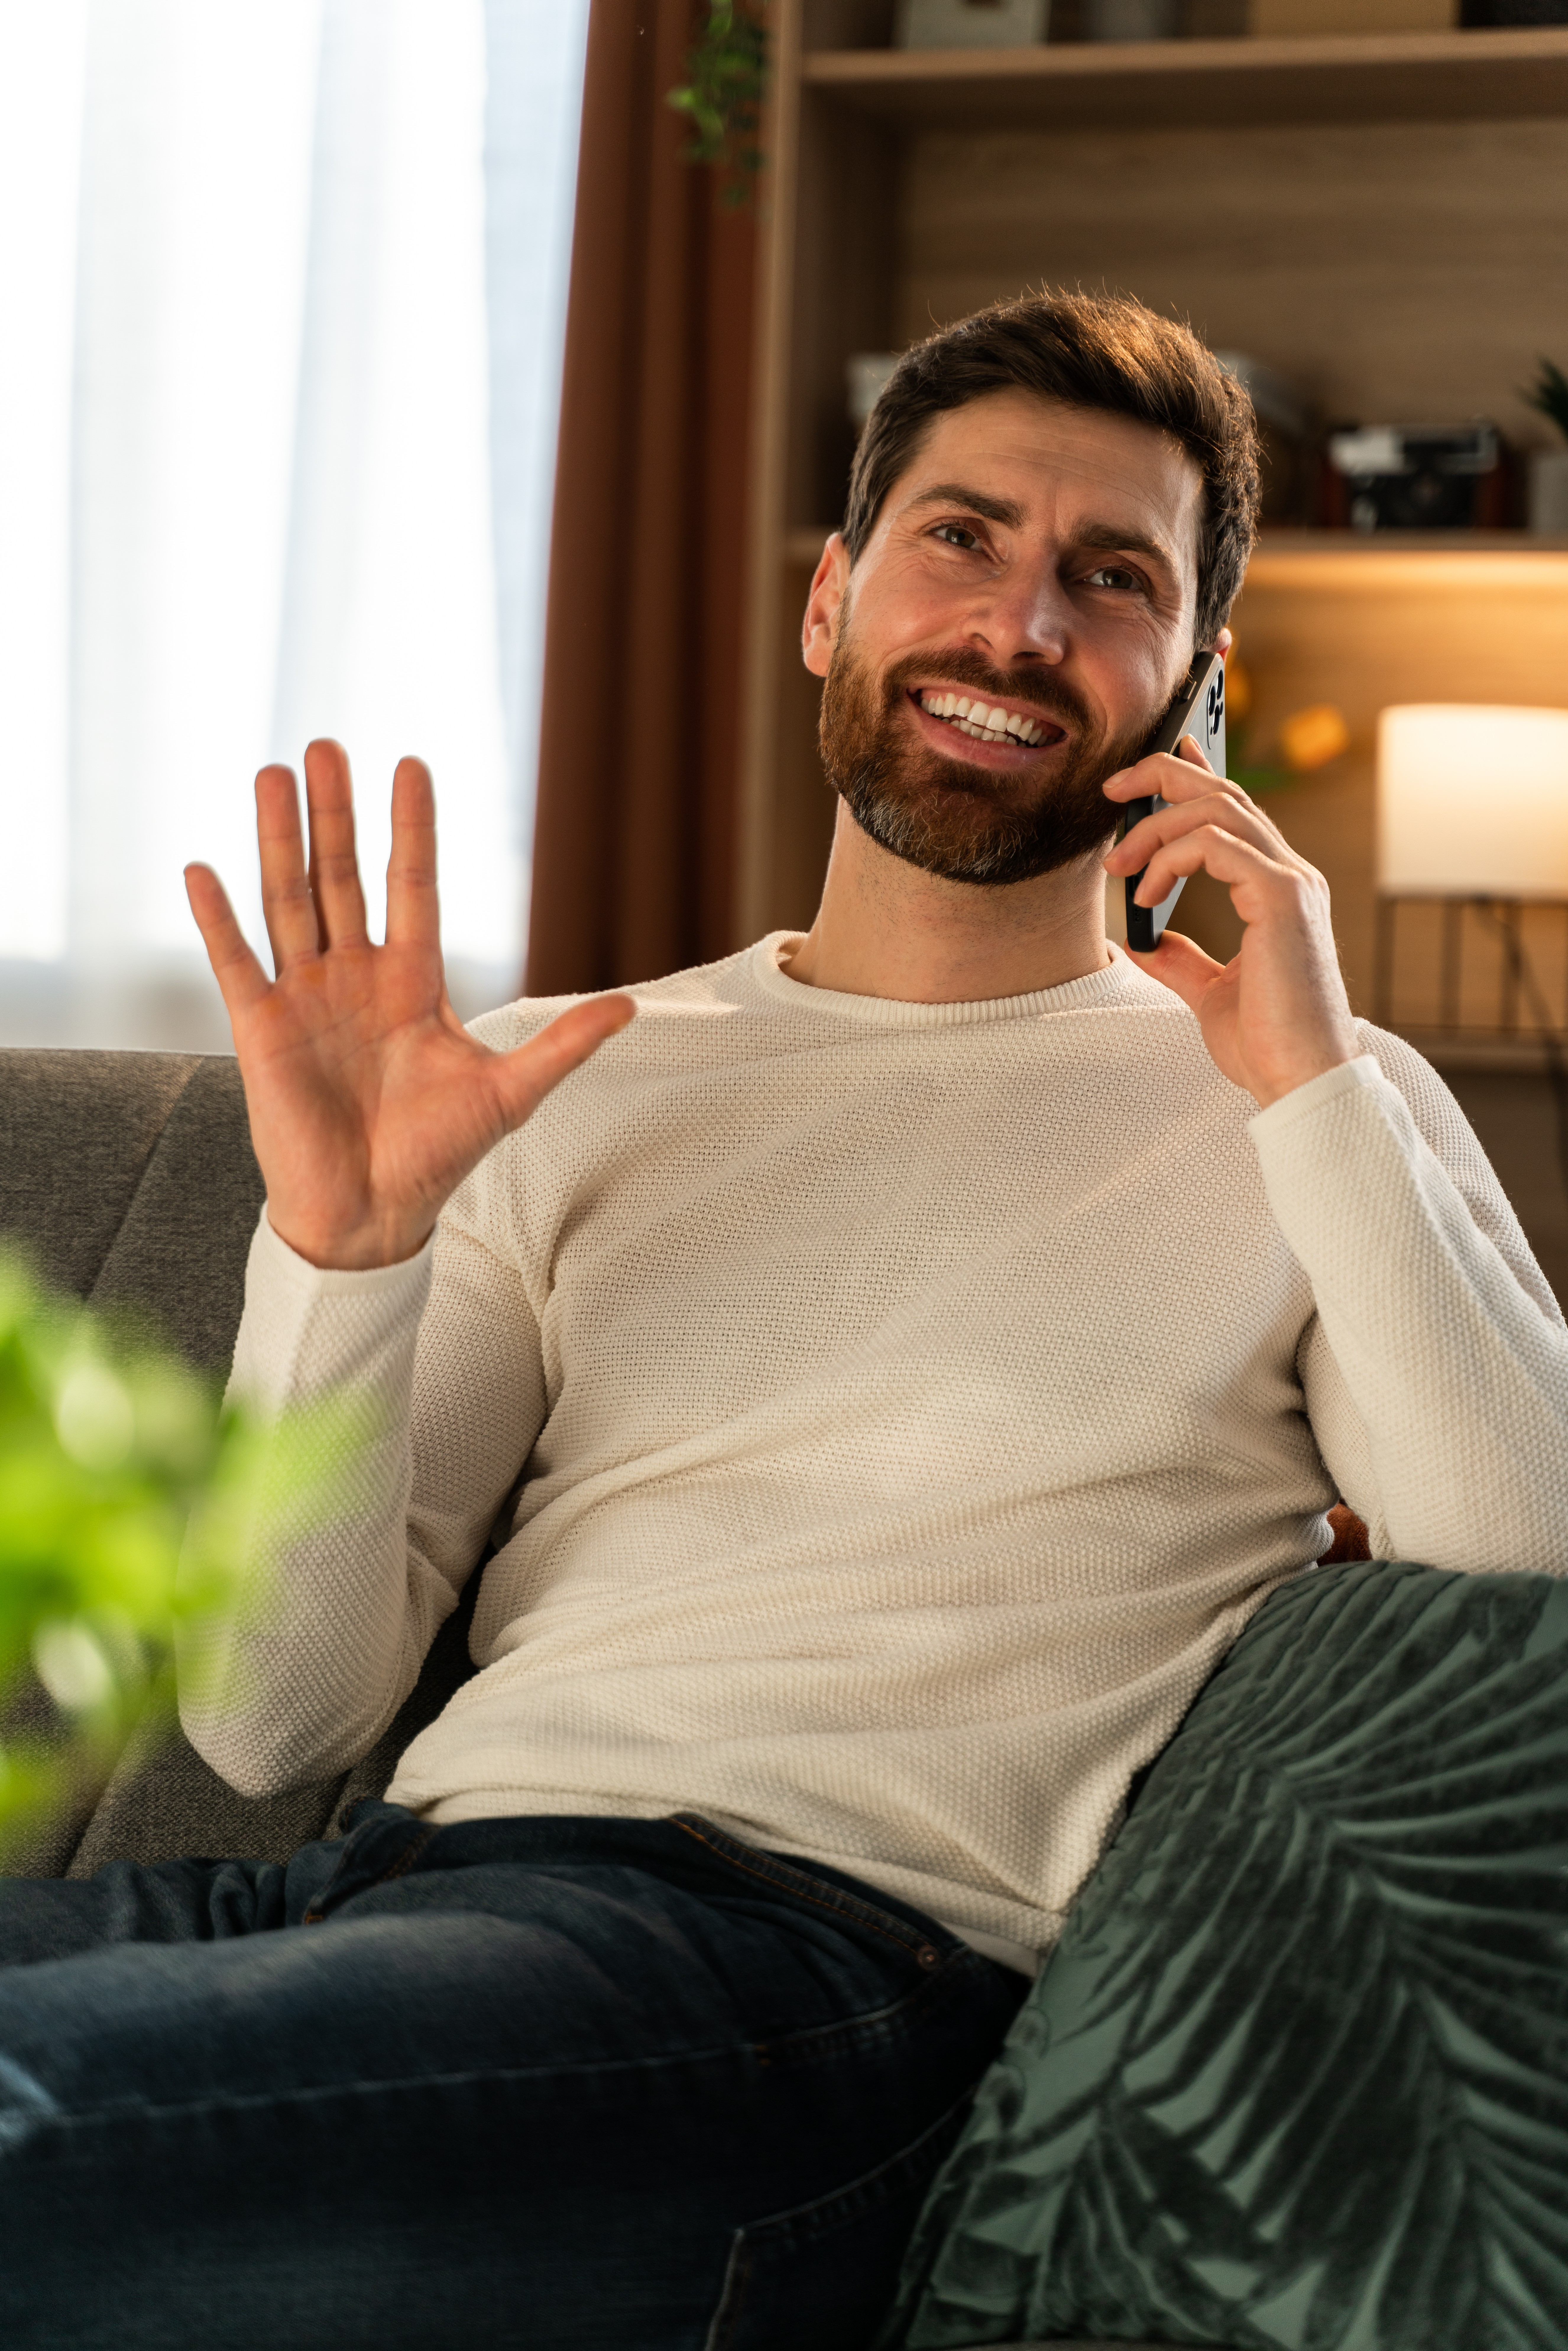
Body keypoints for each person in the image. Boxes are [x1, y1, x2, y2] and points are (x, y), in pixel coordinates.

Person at [3, 290, 1566, 2350]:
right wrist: (345, 1255)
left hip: (800, 1993)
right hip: (389, 1906)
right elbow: (274, 1724)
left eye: (1110, 580)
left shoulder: (1306, 1097)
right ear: (828, 601)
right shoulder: (574, 1074)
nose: (1018, 625)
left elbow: (1520, 1558)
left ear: (1195, 689)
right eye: (959, 538)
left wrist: (1309, 1079)